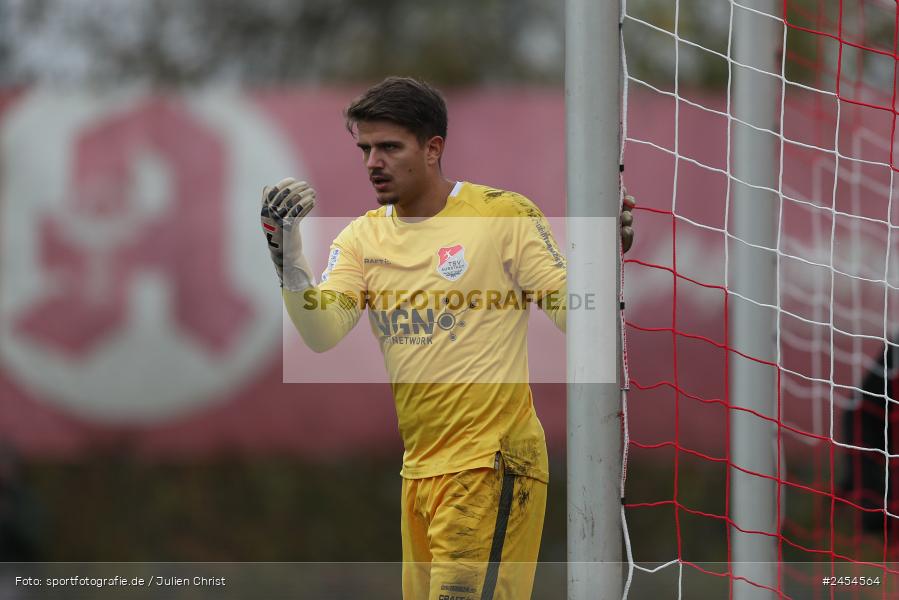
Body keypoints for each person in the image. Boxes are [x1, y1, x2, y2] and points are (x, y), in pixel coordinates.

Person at [260, 76, 635, 599]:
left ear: (433, 148)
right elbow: (322, 332)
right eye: (365, 148)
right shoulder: (361, 238)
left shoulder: (502, 215)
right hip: (420, 475)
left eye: (389, 147)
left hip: (491, 464)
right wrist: (289, 260)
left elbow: (581, 319)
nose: (373, 162)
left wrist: (601, 259)